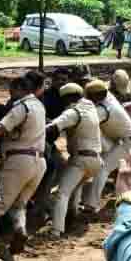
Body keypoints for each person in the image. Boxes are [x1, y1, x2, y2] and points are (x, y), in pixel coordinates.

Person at [0, 75, 46, 258]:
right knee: (19, 204)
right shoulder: (39, 106)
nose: (10, 96)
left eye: (12, 91)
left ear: (19, 89)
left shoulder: (22, 107)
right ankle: (20, 229)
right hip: (39, 162)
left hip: (19, 160)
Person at [45, 82, 102, 236]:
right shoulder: (90, 107)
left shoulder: (72, 112)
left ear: (67, 98)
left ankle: (56, 230)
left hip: (81, 160)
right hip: (96, 161)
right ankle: (72, 218)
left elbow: (52, 128)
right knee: (75, 189)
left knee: (61, 193)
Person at [83, 78, 131, 210]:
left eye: (89, 96)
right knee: (120, 168)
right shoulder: (108, 98)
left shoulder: (103, 109)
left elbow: (85, 122)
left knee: (102, 169)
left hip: (129, 142)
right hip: (127, 139)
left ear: (97, 96)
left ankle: (91, 204)